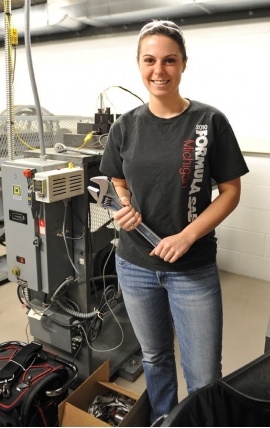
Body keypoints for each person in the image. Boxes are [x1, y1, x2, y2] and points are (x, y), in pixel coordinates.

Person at [99, 19, 249, 423]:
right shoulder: (124, 127)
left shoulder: (209, 122)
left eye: (169, 60)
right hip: (135, 266)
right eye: (149, 60)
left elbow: (231, 191)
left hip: (192, 269)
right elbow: (116, 180)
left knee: (204, 377)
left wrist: (188, 235)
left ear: (183, 65)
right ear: (139, 64)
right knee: (155, 357)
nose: (158, 70)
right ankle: (164, 419)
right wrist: (122, 204)